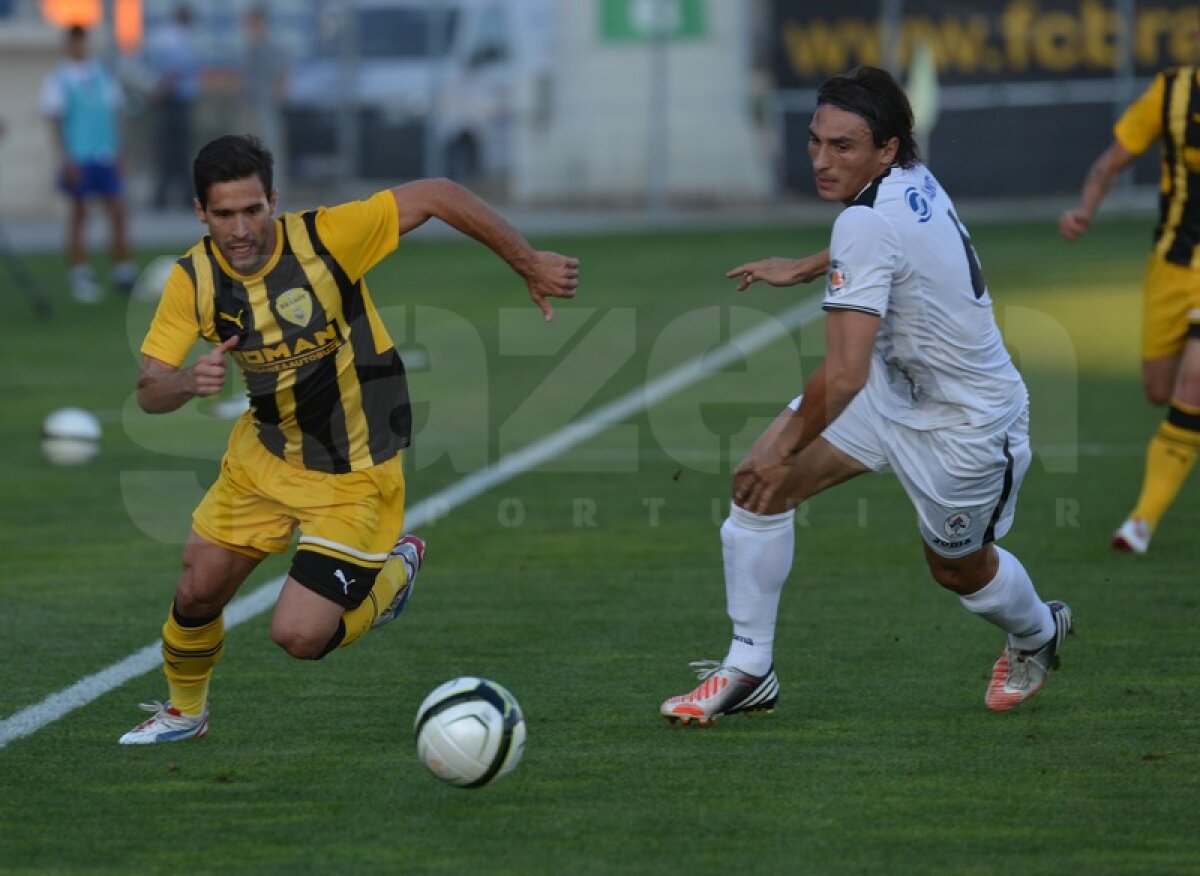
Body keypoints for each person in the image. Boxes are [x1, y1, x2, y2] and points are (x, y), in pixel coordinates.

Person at [119, 134, 579, 744]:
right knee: (197, 588)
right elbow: (149, 389)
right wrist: (183, 381)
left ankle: (392, 577)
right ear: (201, 214)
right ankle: (185, 712)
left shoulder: (327, 237)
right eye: (224, 214)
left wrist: (528, 261)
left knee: (299, 637)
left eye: (253, 210)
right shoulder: (193, 280)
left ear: (273, 201)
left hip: (355, 469)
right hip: (265, 454)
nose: (241, 229)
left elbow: (438, 194)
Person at [659, 67, 1072, 725]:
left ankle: (1036, 633)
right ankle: (749, 667)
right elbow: (885, 236)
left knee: (957, 571)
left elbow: (844, 373)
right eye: (815, 142)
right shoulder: (910, 177)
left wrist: (784, 444)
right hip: (892, 391)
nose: (822, 160)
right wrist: (806, 264)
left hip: (962, 423)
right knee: (758, 486)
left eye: (842, 147)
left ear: (885, 149)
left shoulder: (866, 222)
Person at [1059, 64, 1200, 555]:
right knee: (1159, 389)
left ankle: (1140, 522)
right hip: (1170, 265)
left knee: (1194, 385)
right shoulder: (1172, 91)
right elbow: (1112, 161)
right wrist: (1085, 209)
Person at [39, 25, 137, 302]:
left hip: (105, 154)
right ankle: (80, 273)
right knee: (79, 214)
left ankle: (123, 269)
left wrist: (120, 152)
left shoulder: (103, 75)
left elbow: (116, 114)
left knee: (117, 210)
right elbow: (55, 120)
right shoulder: (59, 78)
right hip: (79, 156)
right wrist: (65, 157)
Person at [143, 5, 200, 209]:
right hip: (174, 101)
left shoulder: (169, 37)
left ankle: (167, 196)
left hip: (172, 100)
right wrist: (160, 94)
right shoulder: (177, 39)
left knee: (171, 151)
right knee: (176, 150)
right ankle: (179, 196)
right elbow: (174, 73)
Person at [234, 6, 289, 187]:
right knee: (248, 148)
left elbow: (281, 76)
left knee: (270, 147)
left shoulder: (271, 48)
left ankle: (274, 186)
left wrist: (276, 97)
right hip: (249, 105)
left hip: (266, 105)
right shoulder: (248, 49)